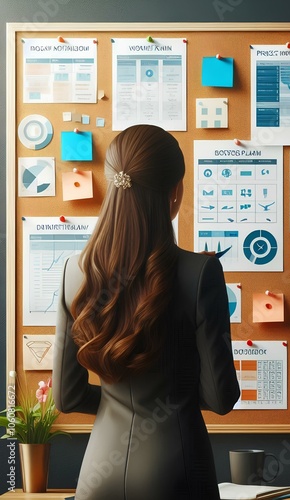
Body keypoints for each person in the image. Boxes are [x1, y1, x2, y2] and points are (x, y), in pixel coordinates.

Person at [53, 124, 240, 500]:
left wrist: (113, 401)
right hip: (178, 472)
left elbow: (67, 398)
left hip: (96, 475)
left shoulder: (76, 271)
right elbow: (220, 398)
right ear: (175, 193)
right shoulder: (200, 273)